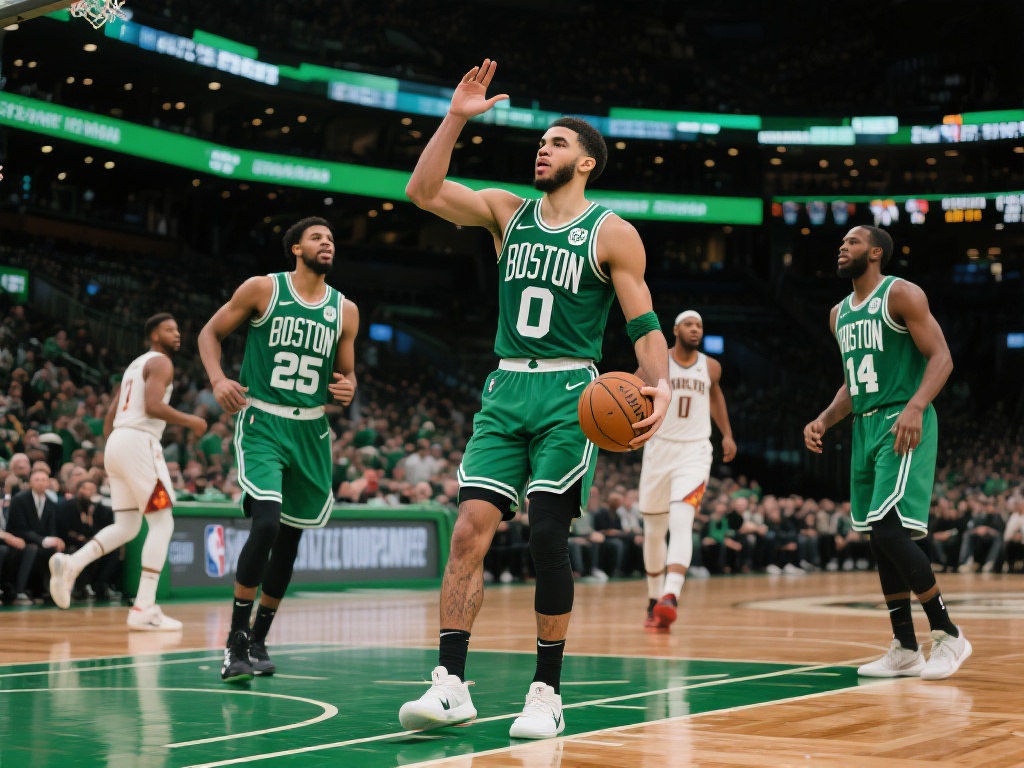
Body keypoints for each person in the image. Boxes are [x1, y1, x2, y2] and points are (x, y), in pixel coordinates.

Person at [398, 59, 671, 740]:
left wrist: (660, 385)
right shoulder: (506, 211)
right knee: (468, 530)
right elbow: (422, 191)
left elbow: (643, 324)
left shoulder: (611, 232)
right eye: (541, 142)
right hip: (505, 386)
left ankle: (546, 691)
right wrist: (455, 118)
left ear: (586, 162)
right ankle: (451, 684)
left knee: (546, 533)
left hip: (572, 392)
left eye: (557, 143)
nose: (542, 149)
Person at [803, 225, 971, 681]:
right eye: (842, 243)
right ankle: (905, 647)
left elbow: (942, 357)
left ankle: (949, 633)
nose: (842, 247)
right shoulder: (838, 314)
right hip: (864, 424)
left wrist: (916, 406)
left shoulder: (901, 294)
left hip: (902, 418)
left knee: (889, 530)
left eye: (853, 242)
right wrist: (824, 419)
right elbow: (853, 383)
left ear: (876, 252)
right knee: (879, 538)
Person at [198, 216, 358, 684]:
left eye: (331, 238)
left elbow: (345, 376)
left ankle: (260, 639)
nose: (327, 243)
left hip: (311, 429)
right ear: (296, 248)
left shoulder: (345, 310)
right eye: (316, 237)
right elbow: (209, 334)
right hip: (264, 420)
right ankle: (234, 641)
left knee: (290, 540)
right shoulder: (263, 289)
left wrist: (348, 387)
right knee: (266, 522)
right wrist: (218, 380)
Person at [48, 314, 207, 628]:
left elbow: (110, 414)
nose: (177, 334)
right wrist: (192, 421)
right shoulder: (161, 362)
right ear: (154, 335)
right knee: (162, 522)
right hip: (139, 441)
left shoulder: (134, 366)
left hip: (118, 442)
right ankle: (144, 608)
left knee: (127, 526)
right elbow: (152, 407)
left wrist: (116, 448)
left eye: (178, 329)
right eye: (169, 329)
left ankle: (72, 563)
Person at [638, 310, 735, 630]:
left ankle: (670, 595)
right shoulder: (657, 362)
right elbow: (630, 392)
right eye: (689, 325)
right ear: (675, 330)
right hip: (659, 450)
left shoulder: (711, 366)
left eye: (699, 326)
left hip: (695, 452)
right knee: (654, 532)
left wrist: (727, 434)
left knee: (682, 520)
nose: (695, 329)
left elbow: (716, 398)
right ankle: (654, 599)